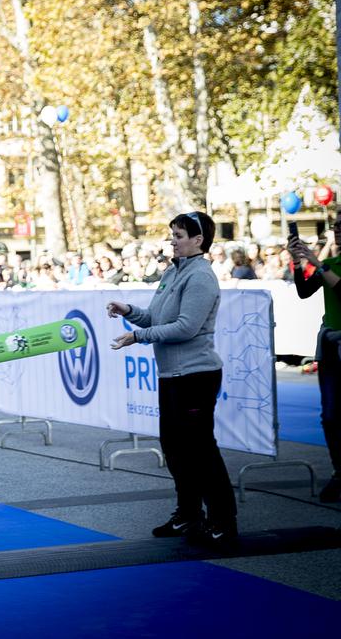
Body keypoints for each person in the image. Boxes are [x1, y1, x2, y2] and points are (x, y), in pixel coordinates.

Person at [107, 211, 236, 547]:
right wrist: (129, 311)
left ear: (198, 240)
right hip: (173, 375)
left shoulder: (201, 277)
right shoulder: (173, 272)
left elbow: (185, 327)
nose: (173, 241)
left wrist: (138, 337)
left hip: (196, 375)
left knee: (201, 451)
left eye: (179, 235)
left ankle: (223, 520)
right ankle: (189, 514)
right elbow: (157, 316)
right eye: (173, 234)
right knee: (176, 449)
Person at [289, 212, 341, 503]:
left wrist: (317, 261)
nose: (337, 231)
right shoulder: (331, 263)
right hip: (332, 347)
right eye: (335, 226)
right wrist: (299, 261)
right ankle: (338, 471)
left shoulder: (329, 264)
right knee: (331, 415)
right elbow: (304, 291)